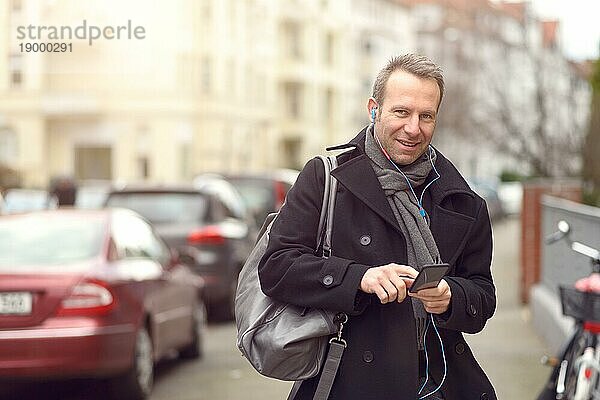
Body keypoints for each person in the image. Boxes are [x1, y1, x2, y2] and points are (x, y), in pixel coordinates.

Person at [258, 54, 496, 400]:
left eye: (426, 116)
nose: (414, 128)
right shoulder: (325, 178)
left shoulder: (463, 200)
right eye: (401, 112)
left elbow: (483, 296)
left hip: (438, 382)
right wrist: (359, 278)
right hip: (349, 380)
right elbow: (277, 267)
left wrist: (450, 296)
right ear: (374, 109)